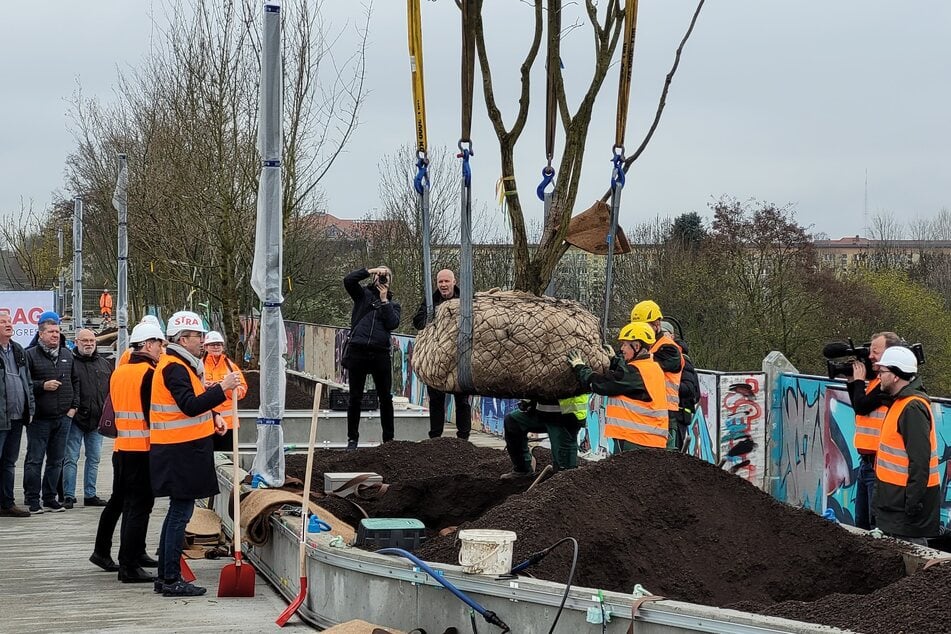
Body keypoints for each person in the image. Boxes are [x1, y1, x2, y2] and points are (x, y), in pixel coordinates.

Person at [150, 311, 239, 596]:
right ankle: (171, 578)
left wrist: (214, 415)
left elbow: (192, 401)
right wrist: (223, 390)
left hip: (182, 448)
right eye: (198, 337)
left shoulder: (181, 365)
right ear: (183, 339)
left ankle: (166, 575)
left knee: (177, 513)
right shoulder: (176, 367)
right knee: (180, 514)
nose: (202, 341)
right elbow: (188, 405)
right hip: (181, 450)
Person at [90, 322, 166, 581]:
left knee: (122, 501)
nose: (161, 349)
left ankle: (125, 554)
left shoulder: (120, 371)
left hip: (122, 447)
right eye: (159, 344)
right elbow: (152, 413)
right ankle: (129, 564)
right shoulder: (148, 373)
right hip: (142, 449)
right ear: (147, 344)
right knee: (139, 507)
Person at [871, 346, 940, 546]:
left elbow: (919, 460)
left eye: (882, 372)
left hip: (905, 505)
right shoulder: (900, 402)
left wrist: (913, 503)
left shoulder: (912, 407)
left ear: (894, 376)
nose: (879, 376)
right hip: (896, 501)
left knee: (913, 554)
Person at [568, 322, 668, 451]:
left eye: (625, 345)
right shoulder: (653, 368)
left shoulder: (635, 372)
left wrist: (580, 368)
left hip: (634, 441)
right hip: (650, 441)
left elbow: (603, 384)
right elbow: (625, 378)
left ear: (636, 346)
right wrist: (615, 361)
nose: (622, 349)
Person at [24, 312, 79, 513]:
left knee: (56, 461)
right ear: (41, 334)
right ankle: (32, 499)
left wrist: (74, 407)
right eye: (51, 332)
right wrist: (42, 386)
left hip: (63, 417)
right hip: (39, 418)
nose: (55, 335)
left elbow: (75, 381)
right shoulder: (29, 355)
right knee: (35, 459)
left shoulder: (66, 354)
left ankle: (50, 498)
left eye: (57, 331)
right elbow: (25, 385)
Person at [343, 266, 401, 451]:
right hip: (358, 351)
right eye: (380, 276)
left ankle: (388, 440)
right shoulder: (362, 296)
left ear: (390, 281)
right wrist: (370, 270)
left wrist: (385, 301)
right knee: (355, 398)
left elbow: (392, 323)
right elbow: (348, 280)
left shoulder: (393, 305)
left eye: (386, 277)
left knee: (385, 398)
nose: (382, 279)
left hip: (380, 353)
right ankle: (352, 439)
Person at [848, 331, 901, 530]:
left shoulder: (888, 385)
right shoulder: (877, 382)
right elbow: (857, 404)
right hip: (866, 463)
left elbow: (862, 405)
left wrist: (859, 381)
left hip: (879, 465)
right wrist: (852, 381)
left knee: (874, 525)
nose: (870, 356)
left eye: (875, 352)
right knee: (861, 523)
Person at [412, 269, 472, 440]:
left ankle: (463, 438)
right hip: (436, 358)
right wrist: (433, 316)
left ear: (454, 281)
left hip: (459, 358)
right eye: (440, 282)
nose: (444, 285)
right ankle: (435, 437)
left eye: (447, 281)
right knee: (436, 399)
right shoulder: (431, 300)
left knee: (462, 400)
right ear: (437, 284)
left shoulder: (467, 299)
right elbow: (417, 322)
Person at [62, 329, 112, 509]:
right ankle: (68, 495)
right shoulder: (69, 363)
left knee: (94, 458)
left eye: (92, 340)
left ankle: (90, 494)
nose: (89, 343)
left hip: (97, 420)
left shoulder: (104, 364)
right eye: (85, 340)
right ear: (76, 342)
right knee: (71, 458)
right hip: (75, 419)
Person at [631, 300, 684, 450]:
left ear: (656, 324)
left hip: (665, 412)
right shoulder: (647, 347)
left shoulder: (668, 348)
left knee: (665, 459)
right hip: (649, 409)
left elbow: (646, 367)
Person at [499, 395, 588, 479]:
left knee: (563, 467)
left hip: (566, 415)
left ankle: (565, 482)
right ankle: (522, 470)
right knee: (513, 421)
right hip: (544, 413)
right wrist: (530, 401)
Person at [0, 313, 35, 518]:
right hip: (0, 417)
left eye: (10, 322)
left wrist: (29, 408)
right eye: (3, 322)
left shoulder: (18, 350)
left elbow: (27, 382)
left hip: (16, 417)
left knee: (9, 462)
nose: (8, 325)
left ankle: (7, 503)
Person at [201, 330, 247, 452]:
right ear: (205, 347)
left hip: (229, 424)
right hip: (206, 423)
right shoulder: (199, 366)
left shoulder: (231, 366)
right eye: (212, 344)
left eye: (219, 344)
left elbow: (242, 390)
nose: (216, 347)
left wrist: (226, 389)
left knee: (227, 460)